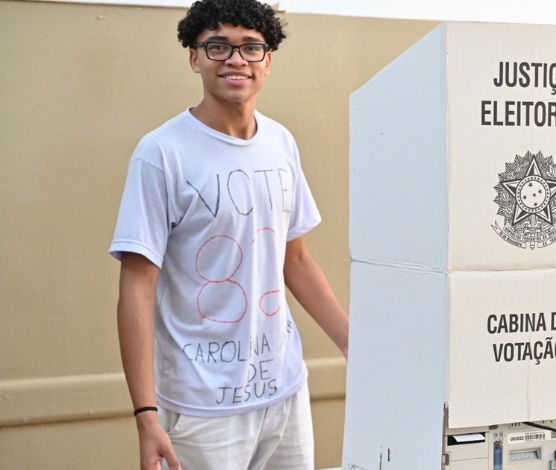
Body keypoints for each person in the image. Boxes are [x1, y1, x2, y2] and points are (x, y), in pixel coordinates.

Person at [109, 1, 348, 468]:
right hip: (202, 409)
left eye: (250, 47)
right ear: (194, 58)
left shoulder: (280, 142)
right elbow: (137, 285)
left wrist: (350, 341)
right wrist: (145, 415)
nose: (236, 59)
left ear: (268, 60)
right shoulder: (161, 153)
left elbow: (295, 259)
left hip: (284, 391)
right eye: (218, 46)